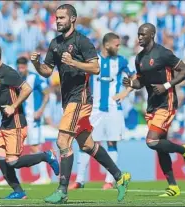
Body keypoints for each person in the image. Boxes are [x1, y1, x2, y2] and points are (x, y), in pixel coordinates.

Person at [31, 4, 130, 204]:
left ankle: (62, 191)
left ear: (73, 19)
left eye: (61, 18)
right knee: (86, 144)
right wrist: (36, 64)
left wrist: (74, 62)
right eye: (56, 18)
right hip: (68, 99)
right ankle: (120, 177)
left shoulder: (82, 41)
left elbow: (95, 68)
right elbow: (47, 72)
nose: (57, 21)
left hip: (81, 98)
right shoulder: (55, 44)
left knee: (62, 142)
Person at [118, 23, 185, 197]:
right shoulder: (139, 58)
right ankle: (173, 187)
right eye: (138, 34)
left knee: (151, 141)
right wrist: (132, 84)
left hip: (166, 103)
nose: (139, 37)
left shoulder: (163, 53)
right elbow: (141, 81)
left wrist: (167, 85)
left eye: (142, 34)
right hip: (152, 105)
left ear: (152, 35)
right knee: (160, 147)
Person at [0, 42, 59, 199]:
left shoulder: (8, 72)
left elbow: (27, 88)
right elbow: (7, 96)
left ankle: (46, 156)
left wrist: (13, 106)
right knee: (0, 157)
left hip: (16, 123)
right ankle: (18, 191)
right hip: (5, 123)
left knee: (12, 162)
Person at [69, 32, 135, 190]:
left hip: (113, 109)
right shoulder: (93, 61)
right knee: (86, 143)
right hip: (94, 109)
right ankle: (79, 180)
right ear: (107, 45)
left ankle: (109, 181)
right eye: (116, 45)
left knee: (112, 142)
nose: (119, 48)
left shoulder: (121, 61)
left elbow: (134, 78)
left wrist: (125, 93)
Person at [0, 56, 51, 186]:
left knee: (34, 146)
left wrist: (41, 110)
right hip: (18, 118)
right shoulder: (15, 79)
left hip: (33, 118)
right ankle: (10, 178)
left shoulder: (34, 78)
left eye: (23, 67)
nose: (21, 69)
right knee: (11, 148)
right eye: (19, 67)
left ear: (27, 66)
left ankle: (45, 176)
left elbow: (47, 93)